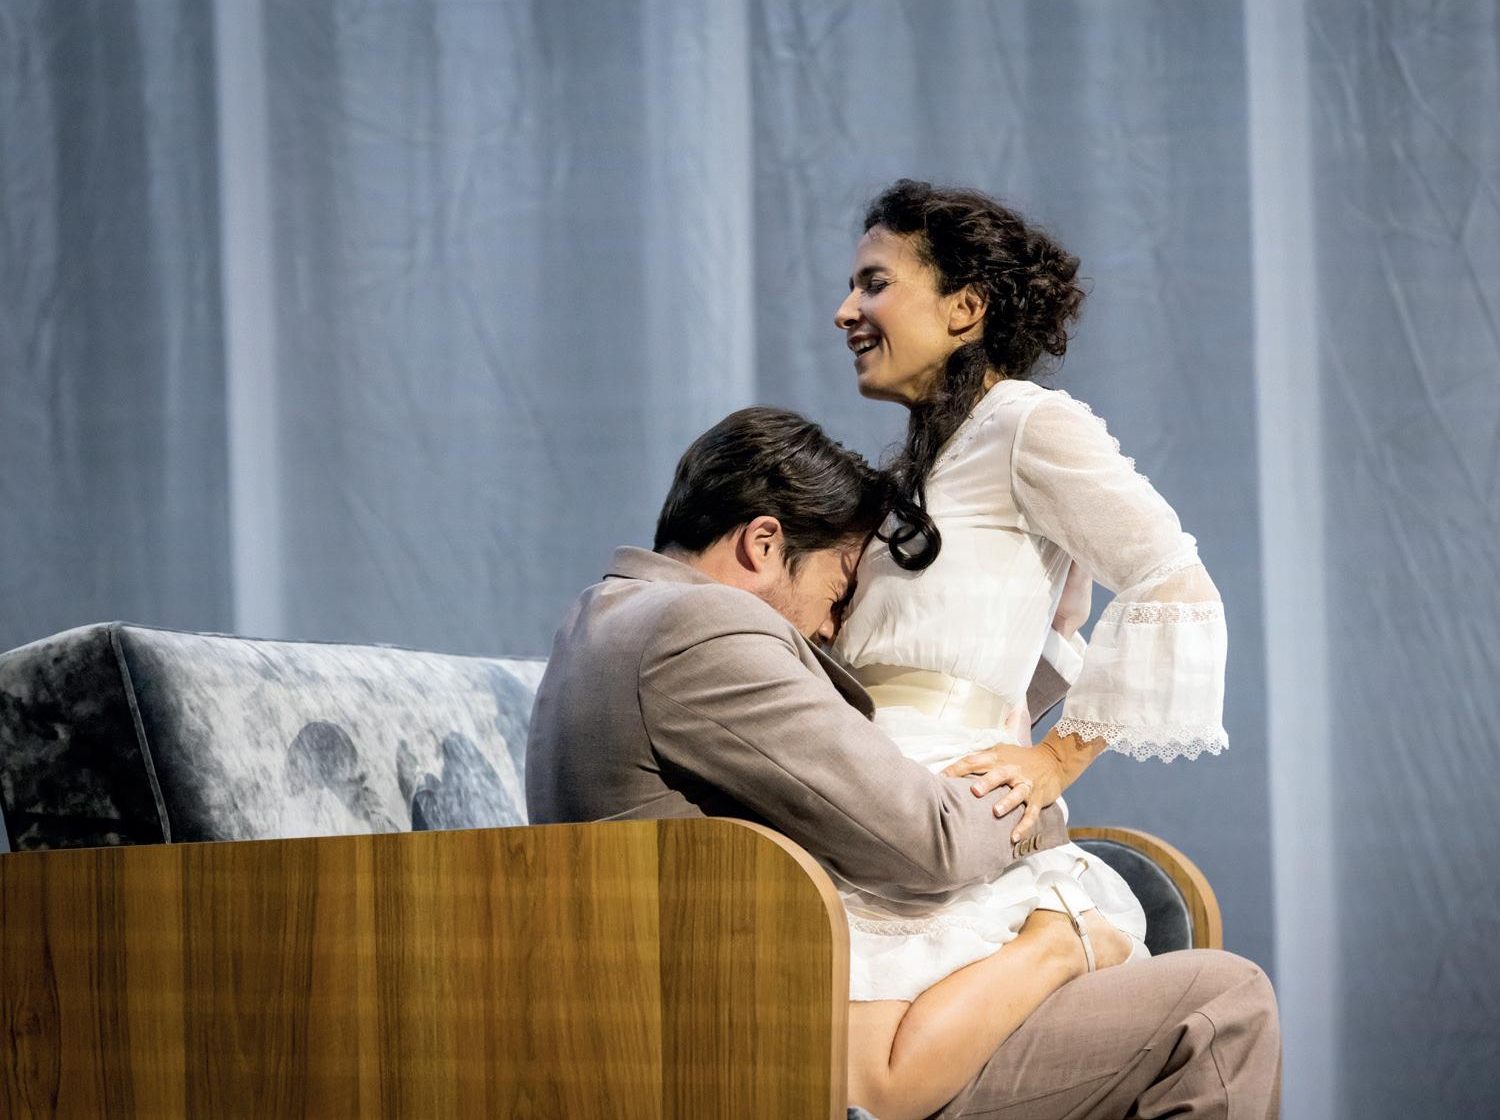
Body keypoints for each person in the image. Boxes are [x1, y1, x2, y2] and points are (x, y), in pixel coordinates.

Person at [527, 406, 1280, 1118]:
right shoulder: (703, 630)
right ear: (763, 544)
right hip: (745, 1044)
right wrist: (1042, 788)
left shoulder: (605, 618)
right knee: (1224, 1000)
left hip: (676, 1008)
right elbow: (930, 842)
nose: (832, 630)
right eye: (839, 590)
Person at [826, 180, 1278, 1118]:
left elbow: (1172, 580)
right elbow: (1003, 648)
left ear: (965, 307)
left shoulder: (1026, 424)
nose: (845, 310)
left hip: (947, 826)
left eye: (873, 283)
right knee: (874, 1082)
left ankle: (1063, 944)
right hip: (870, 805)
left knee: (890, 1082)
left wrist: (1054, 760)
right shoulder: (925, 464)